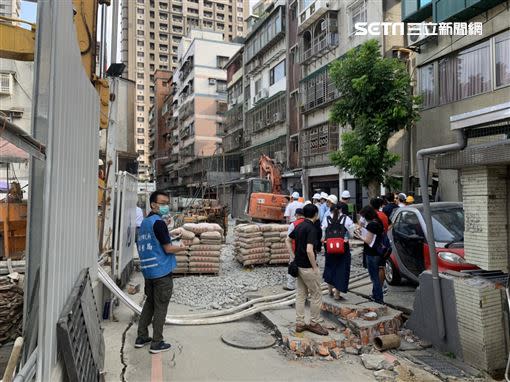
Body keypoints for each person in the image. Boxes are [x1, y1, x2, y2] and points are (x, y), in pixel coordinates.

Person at [135, 190, 184, 353]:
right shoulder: (159, 223)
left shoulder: (145, 223)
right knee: (161, 307)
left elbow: (155, 240)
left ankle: (141, 337)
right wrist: (183, 247)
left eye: (166, 203)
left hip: (148, 273)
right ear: (153, 204)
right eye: (162, 203)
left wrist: (170, 234)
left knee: (149, 304)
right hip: (161, 273)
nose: (165, 206)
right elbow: (168, 248)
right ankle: (157, 342)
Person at [285, 204, 328, 336]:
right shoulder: (311, 228)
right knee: (316, 294)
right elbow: (310, 250)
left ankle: (300, 323)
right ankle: (314, 323)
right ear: (315, 214)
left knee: (301, 294)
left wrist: (293, 256)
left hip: (298, 265)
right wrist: (315, 267)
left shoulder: (299, 226)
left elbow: (287, 240)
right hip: (308, 267)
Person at [322, 202, 355, 300]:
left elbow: (323, 236)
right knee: (341, 269)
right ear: (341, 210)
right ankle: (337, 294)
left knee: (329, 266)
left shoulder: (326, 219)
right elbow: (352, 234)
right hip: (342, 248)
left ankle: (329, 291)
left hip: (329, 247)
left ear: (330, 210)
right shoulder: (346, 219)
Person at [355, 206, 385, 304]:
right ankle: (375, 295)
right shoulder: (378, 221)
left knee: (374, 277)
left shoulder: (371, 225)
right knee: (376, 275)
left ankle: (378, 299)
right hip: (378, 252)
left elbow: (368, 240)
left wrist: (359, 235)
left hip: (372, 253)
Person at [370, 198, 389, 295]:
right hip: (383, 242)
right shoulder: (384, 215)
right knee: (381, 266)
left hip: (373, 243)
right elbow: (389, 226)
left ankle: (376, 291)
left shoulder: (372, 216)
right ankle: (381, 288)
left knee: (373, 268)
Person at [284, 208, 305, 291]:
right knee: (305, 267)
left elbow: (289, 238)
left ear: (297, 215)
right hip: (306, 249)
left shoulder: (294, 224)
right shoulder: (308, 223)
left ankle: (290, 285)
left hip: (294, 248)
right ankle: (304, 286)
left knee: (292, 266)